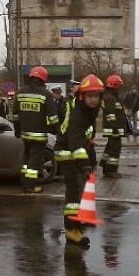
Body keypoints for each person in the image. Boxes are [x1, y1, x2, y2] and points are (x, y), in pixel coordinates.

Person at [61, 74, 104, 247]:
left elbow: (87, 139)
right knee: (73, 194)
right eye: (90, 96)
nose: (94, 99)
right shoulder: (79, 114)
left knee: (80, 192)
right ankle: (71, 230)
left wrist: (90, 159)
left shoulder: (89, 112)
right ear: (82, 96)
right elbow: (75, 143)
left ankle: (79, 221)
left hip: (77, 155)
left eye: (96, 96)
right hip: (68, 155)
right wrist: (85, 165)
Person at [14, 66, 59, 193]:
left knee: (26, 157)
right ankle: (30, 186)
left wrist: (17, 130)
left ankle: (24, 181)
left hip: (24, 133)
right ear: (43, 80)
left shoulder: (20, 92)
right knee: (34, 161)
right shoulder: (45, 94)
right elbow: (52, 117)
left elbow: (15, 115)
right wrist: (57, 131)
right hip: (38, 134)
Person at [100, 74, 127, 177]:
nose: (120, 88)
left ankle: (104, 165)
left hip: (113, 128)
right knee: (115, 149)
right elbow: (111, 115)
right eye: (119, 86)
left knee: (110, 148)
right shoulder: (110, 98)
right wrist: (115, 127)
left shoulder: (110, 96)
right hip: (113, 129)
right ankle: (111, 170)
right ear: (114, 85)